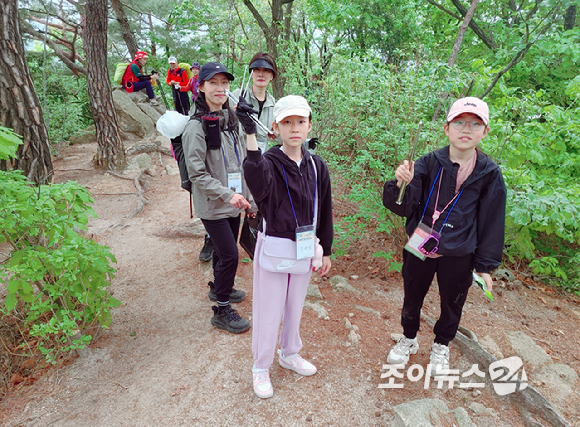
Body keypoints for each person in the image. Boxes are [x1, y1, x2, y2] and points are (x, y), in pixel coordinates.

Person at [382, 97, 506, 374]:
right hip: (420, 242)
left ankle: (441, 345)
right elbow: (402, 207)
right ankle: (409, 338)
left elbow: (492, 221)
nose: (466, 129)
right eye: (459, 122)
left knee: (453, 302)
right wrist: (401, 182)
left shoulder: (489, 173)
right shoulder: (428, 162)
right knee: (412, 294)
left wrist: (485, 267)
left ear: (485, 131)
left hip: (461, 251)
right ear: (447, 128)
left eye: (475, 124)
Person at [241, 95, 333, 399]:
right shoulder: (268, 162)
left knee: (295, 306)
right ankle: (261, 366)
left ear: (309, 125)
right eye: (287, 122)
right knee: (269, 310)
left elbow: (325, 210)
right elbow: (257, 183)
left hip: (306, 248)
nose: (295, 128)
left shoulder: (317, 166)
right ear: (276, 127)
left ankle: (290, 352)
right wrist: (250, 135)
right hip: (275, 248)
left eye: (300, 122)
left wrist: (326, 250)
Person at [181, 62, 257, 334]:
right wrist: (229, 195)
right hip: (213, 204)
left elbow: (242, 163)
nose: (220, 88)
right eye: (213, 82)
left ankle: (217, 288)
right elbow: (197, 174)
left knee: (225, 251)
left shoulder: (231, 121)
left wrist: (249, 200)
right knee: (230, 255)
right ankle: (222, 310)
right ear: (200, 86)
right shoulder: (195, 127)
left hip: (234, 201)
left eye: (224, 83)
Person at [233, 53, 277, 154]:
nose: (260, 74)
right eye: (257, 69)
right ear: (251, 74)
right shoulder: (237, 96)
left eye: (266, 70)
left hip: (260, 159)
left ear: (272, 76)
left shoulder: (274, 105)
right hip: (238, 156)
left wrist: (275, 133)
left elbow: (277, 136)